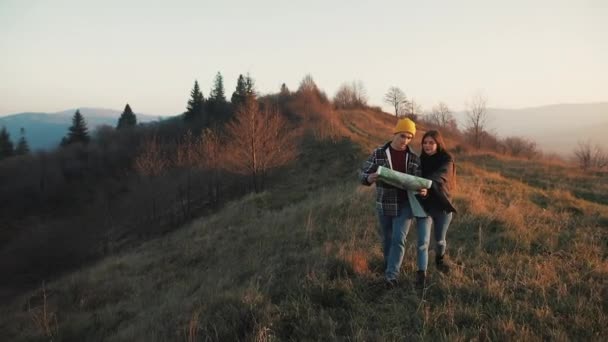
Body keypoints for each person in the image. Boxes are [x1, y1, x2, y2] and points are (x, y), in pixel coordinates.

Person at [360, 118, 427, 287]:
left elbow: (419, 180)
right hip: (384, 203)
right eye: (402, 135)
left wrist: (422, 188)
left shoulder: (413, 157)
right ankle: (388, 266)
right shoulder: (379, 153)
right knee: (388, 239)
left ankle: (391, 277)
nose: (405, 140)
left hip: (405, 205)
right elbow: (363, 173)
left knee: (399, 239)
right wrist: (368, 178)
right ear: (395, 133)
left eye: (409, 137)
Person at [415, 130, 457, 288]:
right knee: (422, 242)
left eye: (431, 142)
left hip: (441, 204)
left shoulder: (447, 159)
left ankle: (440, 259)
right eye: (425, 143)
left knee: (439, 241)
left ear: (438, 144)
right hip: (424, 204)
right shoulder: (420, 160)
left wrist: (426, 184)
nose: (427, 146)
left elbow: (441, 175)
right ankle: (421, 275)